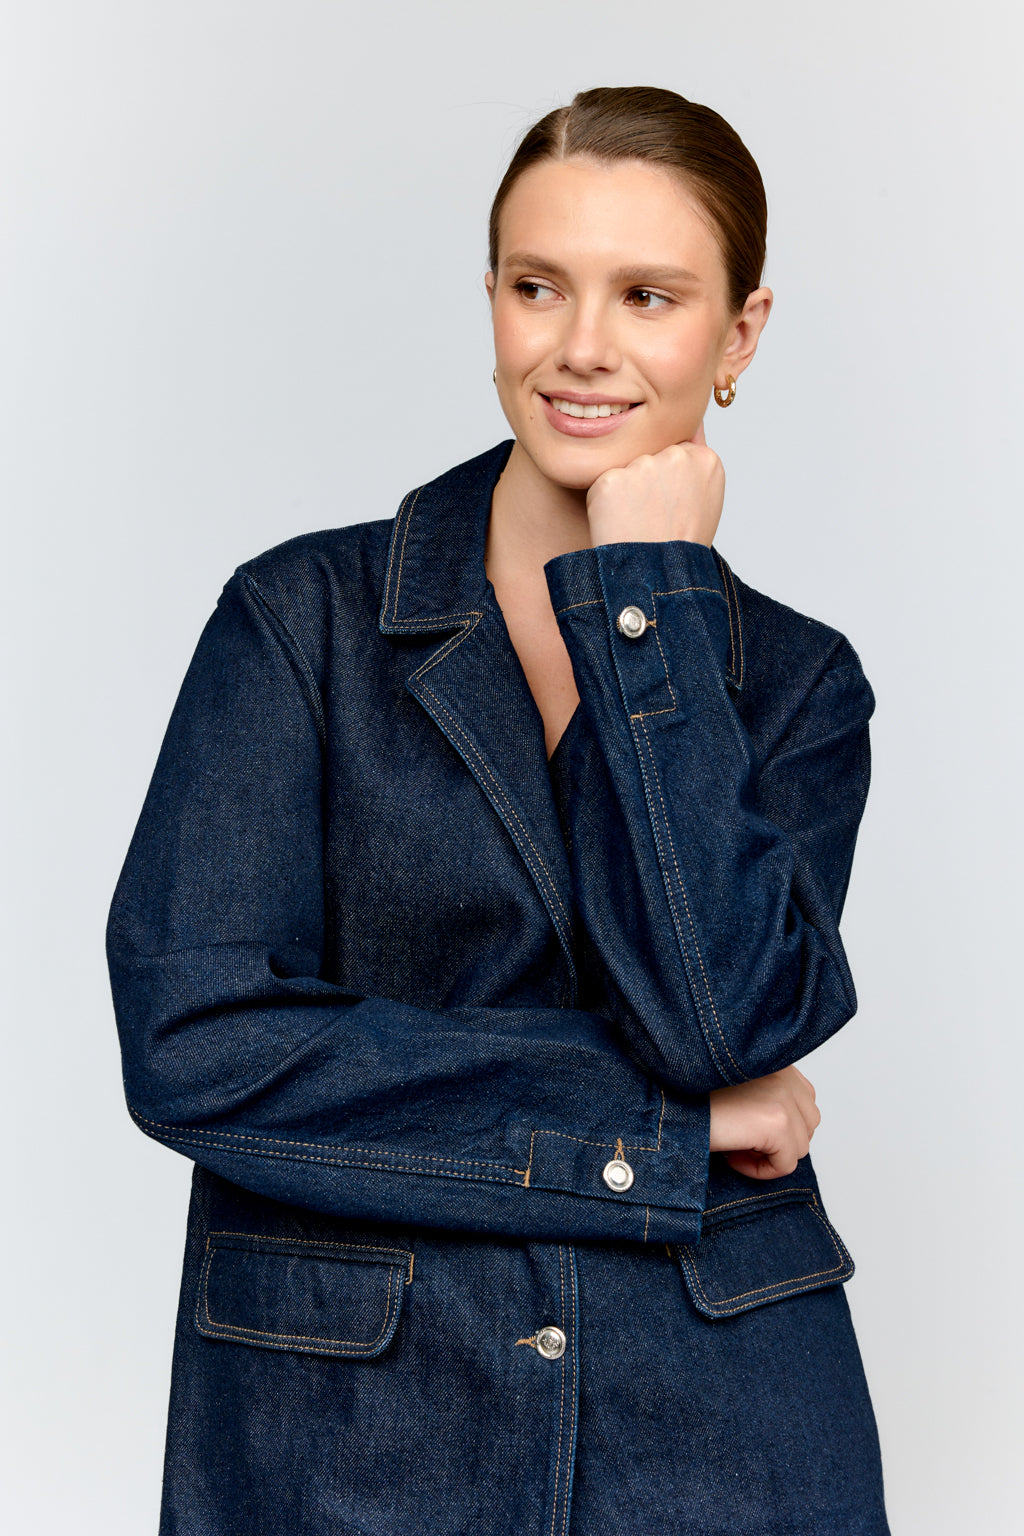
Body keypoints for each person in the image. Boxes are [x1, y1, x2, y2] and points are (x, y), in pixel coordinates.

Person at [107, 86, 889, 1535]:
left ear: (738, 336)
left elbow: (716, 1023)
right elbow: (196, 1046)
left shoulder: (794, 684)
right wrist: (663, 1132)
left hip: (717, 1412)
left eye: (649, 296)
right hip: (347, 1426)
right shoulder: (303, 622)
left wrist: (647, 606)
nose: (580, 347)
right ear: (492, 302)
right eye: (539, 287)